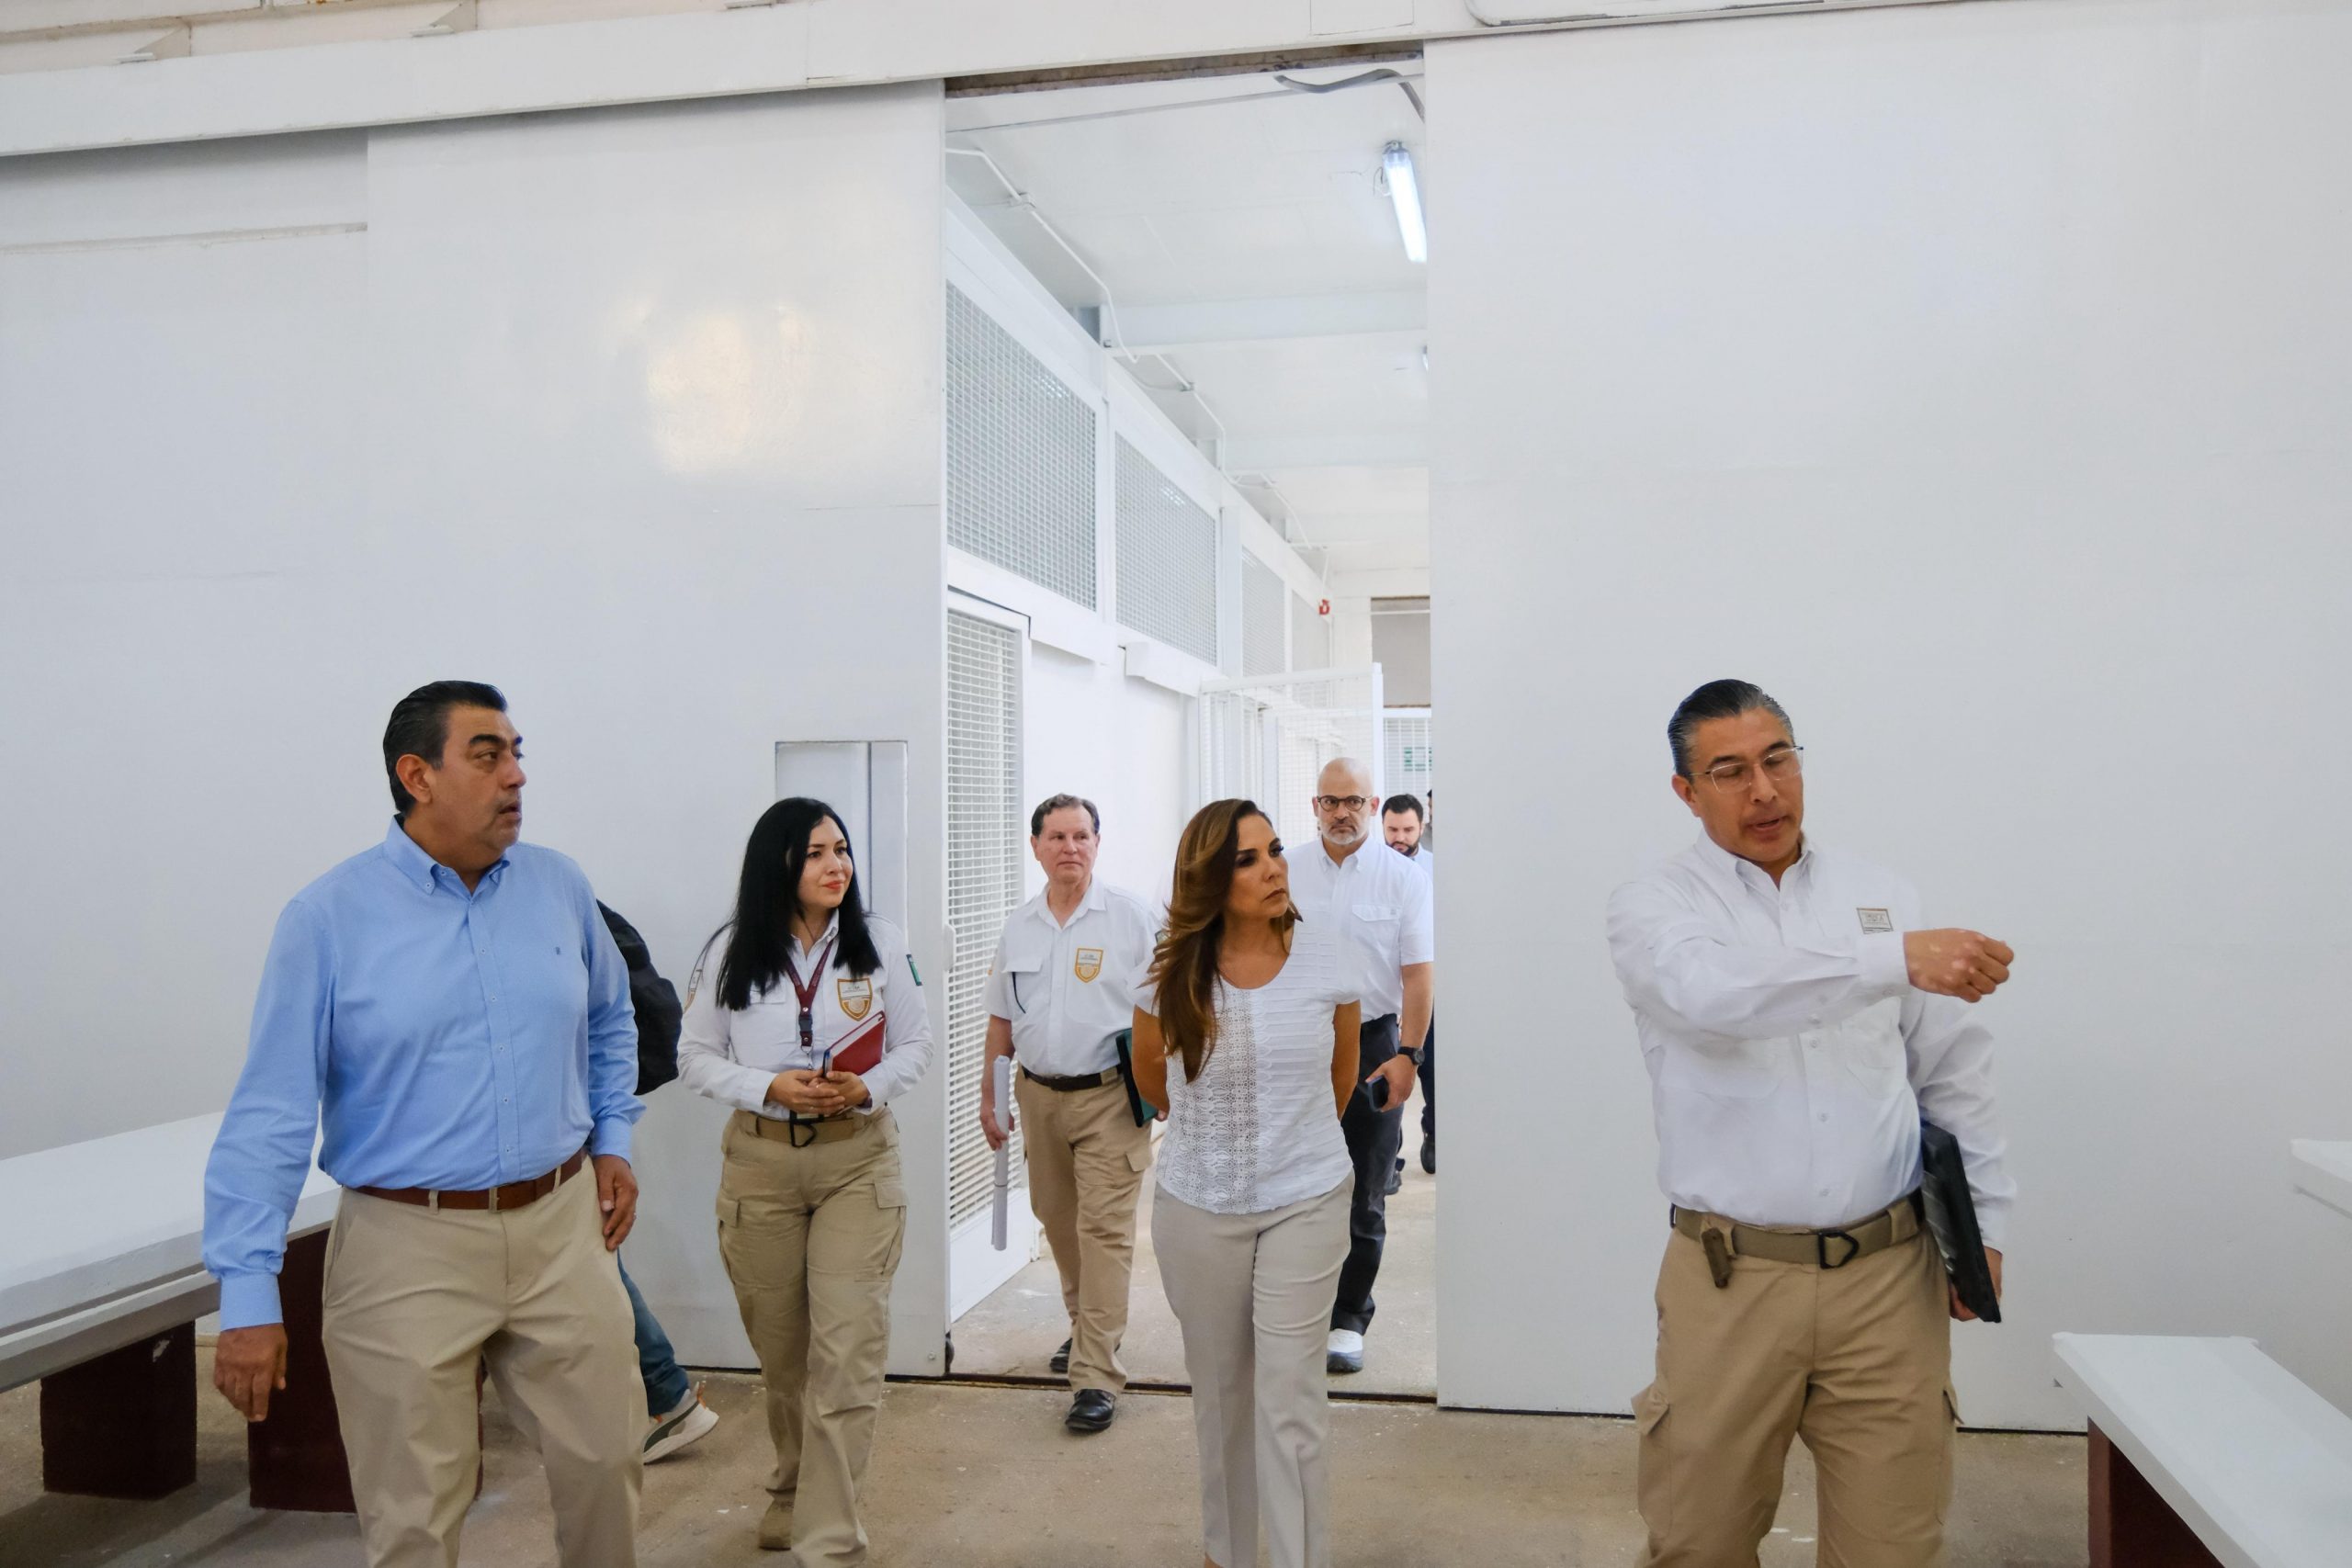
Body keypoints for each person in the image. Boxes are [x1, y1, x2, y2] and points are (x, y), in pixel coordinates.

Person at [202, 681, 646, 1568]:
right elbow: (272, 1112)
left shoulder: (558, 886)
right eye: (488, 755)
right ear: (417, 775)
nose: (516, 775)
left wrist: (613, 1139)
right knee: (414, 1513)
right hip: (405, 1246)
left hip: (562, 1229)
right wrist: (248, 1294)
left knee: (608, 1459)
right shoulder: (326, 919)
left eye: (517, 753)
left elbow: (610, 1018)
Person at [1605, 679, 2017, 1567]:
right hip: (1730, 1281)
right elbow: (1716, 996)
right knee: (1700, 1543)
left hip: (1889, 1278)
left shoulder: (1882, 893)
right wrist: (1889, 959)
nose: (1764, 790)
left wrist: (1984, 1225)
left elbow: (1951, 1071)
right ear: (1686, 791)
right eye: (1730, 771)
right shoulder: (1655, 907)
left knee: (1894, 1548)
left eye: (1778, 759)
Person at [677, 797, 933, 1562]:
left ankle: (829, 1537)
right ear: (778, 862)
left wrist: (867, 1086)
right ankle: (793, 1486)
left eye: (842, 849)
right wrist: (768, 1086)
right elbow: (694, 1056)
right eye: (817, 851)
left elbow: (916, 1043)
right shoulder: (731, 949)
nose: (836, 864)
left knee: (848, 1348)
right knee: (785, 1354)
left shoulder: (880, 941)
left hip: (858, 1158)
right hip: (760, 1164)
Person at [1132, 799, 1360, 1568]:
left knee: (1290, 1399)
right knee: (1223, 1396)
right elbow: (1151, 1077)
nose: (1274, 868)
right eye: (1248, 858)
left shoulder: (1328, 952)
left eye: (1274, 850)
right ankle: (1226, 1555)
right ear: (1209, 880)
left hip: (1308, 1197)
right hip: (1197, 1205)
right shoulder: (1168, 969)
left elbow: (1340, 1074)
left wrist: (1287, 1145)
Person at [978, 794, 1161, 1434]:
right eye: (1056, 836)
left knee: (1104, 1229)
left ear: (1097, 843)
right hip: (1038, 1096)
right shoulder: (1019, 925)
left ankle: (1095, 1375)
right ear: (1035, 846)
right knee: (1057, 1219)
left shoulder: (1132, 919)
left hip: (1111, 1095)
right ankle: (1089, 1328)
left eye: (1081, 835)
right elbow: (1002, 1017)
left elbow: (1168, 1010)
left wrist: (1165, 1087)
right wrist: (989, 1092)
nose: (1070, 847)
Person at [1282, 759, 1432, 1375]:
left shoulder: (1404, 878)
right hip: (1295, 1041)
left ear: (1373, 805)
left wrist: (1408, 1055)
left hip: (1373, 1044)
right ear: (1315, 805)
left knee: (1365, 1188)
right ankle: (1295, 1310)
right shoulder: (1285, 870)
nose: (1341, 812)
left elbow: (1418, 975)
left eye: (1353, 801)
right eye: (1330, 801)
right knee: (1290, 1185)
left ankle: (1348, 1316)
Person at [595, 901, 720, 1464]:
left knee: (596, 1265)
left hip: (570, 1124)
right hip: (582, 1119)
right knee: (600, 1262)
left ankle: (666, 1397)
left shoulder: (552, 896)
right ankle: (664, 1395)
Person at [1380, 794, 1437, 1178]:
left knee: (1432, 1072)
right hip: (1385, 993)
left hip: (1428, 989)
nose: (1399, 837)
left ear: (1422, 827)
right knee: (1385, 1075)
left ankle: (1434, 1133)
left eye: (1407, 830)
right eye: (1392, 830)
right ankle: (1390, 1158)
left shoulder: (1436, 869)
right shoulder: (1372, 870)